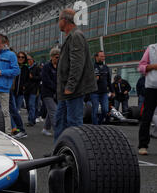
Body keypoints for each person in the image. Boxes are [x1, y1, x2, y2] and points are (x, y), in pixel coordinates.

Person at [55, 9, 97, 140]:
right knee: (60, 121)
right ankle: (58, 151)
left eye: (59, 19)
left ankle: (74, 152)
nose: (58, 23)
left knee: (73, 123)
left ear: (64, 20)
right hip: (65, 90)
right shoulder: (71, 36)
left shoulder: (76, 36)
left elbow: (77, 64)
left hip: (72, 90)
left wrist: (70, 86)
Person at [137, 43, 157, 155]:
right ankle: (143, 145)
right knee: (147, 116)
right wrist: (153, 66)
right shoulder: (151, 48)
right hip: (152, 87)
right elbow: (140, 67)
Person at [90, 51, 114, 125]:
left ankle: (99, 124)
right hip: (94, 92)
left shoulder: (106, 67)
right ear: (96, 57)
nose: (103, 58)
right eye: (101, 56)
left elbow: (109, 81)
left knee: (105, 110)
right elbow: (87, 80)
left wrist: (112, 91)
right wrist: (94, 79)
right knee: (95, 111)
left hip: (104, 92)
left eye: (104, 56)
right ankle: (95, 127)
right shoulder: (92, 67)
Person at [41, 48, 60, 136]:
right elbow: (46, 80)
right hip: (47, 93)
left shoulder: (59, 67)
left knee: (51, 111)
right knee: (54, 111)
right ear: (52, 57)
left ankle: (45, 128)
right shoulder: (46, 67)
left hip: (56, 92)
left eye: (59, 57)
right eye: (56, 57)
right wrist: (55, 87)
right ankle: (58, 131)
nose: (58, 59)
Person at [10, 51, 29, 136]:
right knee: (13, 110)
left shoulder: (26, 68)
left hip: (21, 92)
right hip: (13, 91)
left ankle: (18, 129)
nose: (20, 58)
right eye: (19, 57)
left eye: (22, 57)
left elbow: (28, 80)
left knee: (16, 111)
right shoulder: (14, 67)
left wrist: (25, 86)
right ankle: (15, 128)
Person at [25, 55, 41, 126]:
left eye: (30, 59)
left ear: (33, 59)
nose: (29, 61)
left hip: (34, 89)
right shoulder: (25, 68)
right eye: (27, 59)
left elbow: (40, 77)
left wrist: (32, 77)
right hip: (26, 89)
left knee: (32, 105)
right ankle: (33, 119)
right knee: (28, 105)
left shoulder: (37, 68)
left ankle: (31, 120)